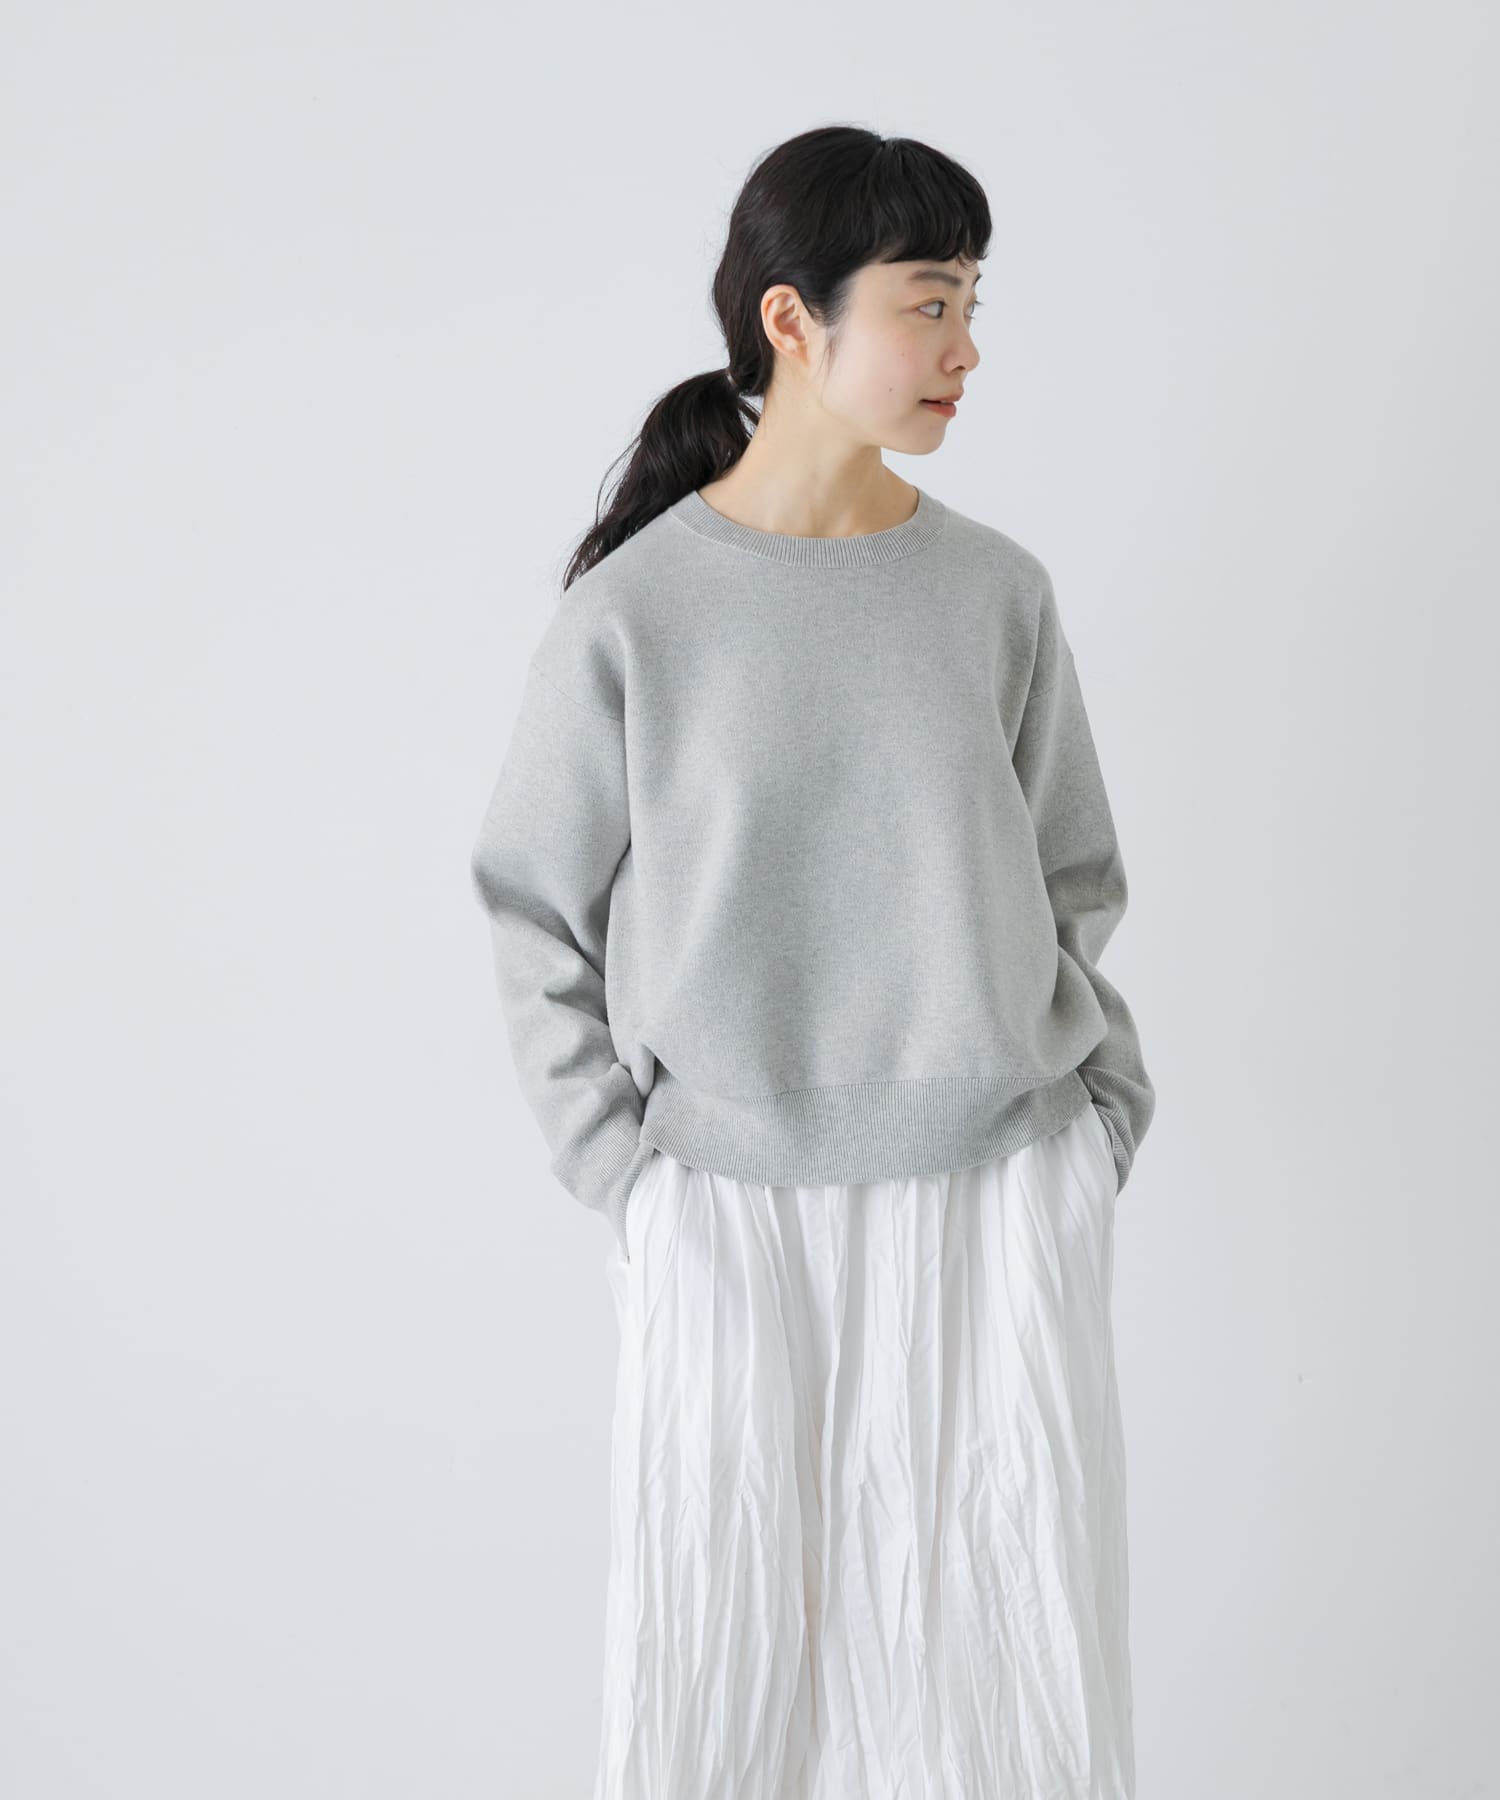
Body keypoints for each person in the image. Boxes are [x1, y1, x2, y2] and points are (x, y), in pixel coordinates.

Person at [469, 123, 1156, 1800]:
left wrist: (1098, 1128)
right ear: (793, 320)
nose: (966, 349)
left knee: (1011, 1709)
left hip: (1002, 1197)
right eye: (931, 303)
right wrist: (629, 1181)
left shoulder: (995, 591)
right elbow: (532, 910)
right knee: (725, 1710)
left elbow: (1074, 876)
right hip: (727, 1220)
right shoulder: (637, 615)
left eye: (974, 302)